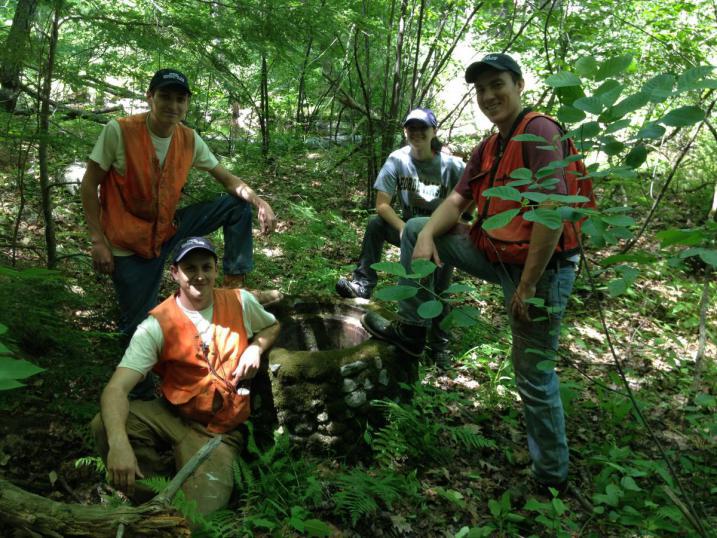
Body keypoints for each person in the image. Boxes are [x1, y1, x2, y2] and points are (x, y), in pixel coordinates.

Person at [362, 53, 594, 490]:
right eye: (481, 89)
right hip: (498, 251)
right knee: (413, 228)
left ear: (519, 84)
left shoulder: (540, 130)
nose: (489, 96)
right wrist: (428, 234)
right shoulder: (490, 145)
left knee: (533, 374)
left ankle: (551, 480)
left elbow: (551, 212)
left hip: (542, 269)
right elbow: (456, 202)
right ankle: (413, 332)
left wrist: (525, 287)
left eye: (497, 85)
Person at [81, 68, 280, 349]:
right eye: (165, 97)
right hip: (128, 243)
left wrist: (259, 201)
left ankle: (235, 285)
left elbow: (226, 179)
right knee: (137, 329)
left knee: (237, 206)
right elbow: (89, 185)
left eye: (180, 99)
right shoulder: (120, 131)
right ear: (150, 97)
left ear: (186, 104)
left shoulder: (188, 138)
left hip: (166, 229)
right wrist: (97, 241)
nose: (173, 106)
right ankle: (141, 389)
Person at [91, 236, 280, 515]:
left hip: (220, 429)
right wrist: (119, 445)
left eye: (207, 267)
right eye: (190, 268)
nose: (200, 276)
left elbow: (272, 326)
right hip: (173, 414)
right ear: (175, 273)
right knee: (104, 426)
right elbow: (115, 390)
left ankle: (187, 492)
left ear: (216, 270)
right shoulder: (157, 325)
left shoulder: (240, 302)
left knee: (199, 519)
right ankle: (153, 491)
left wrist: (255, 348)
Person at [335, 108, 466, 366]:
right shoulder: (398, 160)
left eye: (422, 128)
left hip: (442, 234)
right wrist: (404, 230)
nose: (416, 133)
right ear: (405, 131)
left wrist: (437, 233)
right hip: (409, 228)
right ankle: (363, 283)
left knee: (440, 288)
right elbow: (382, 205)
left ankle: (440, 347)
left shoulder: (452, 166)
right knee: (376, 224)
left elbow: (467, 209)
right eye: (411, 128)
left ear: (433, 132)